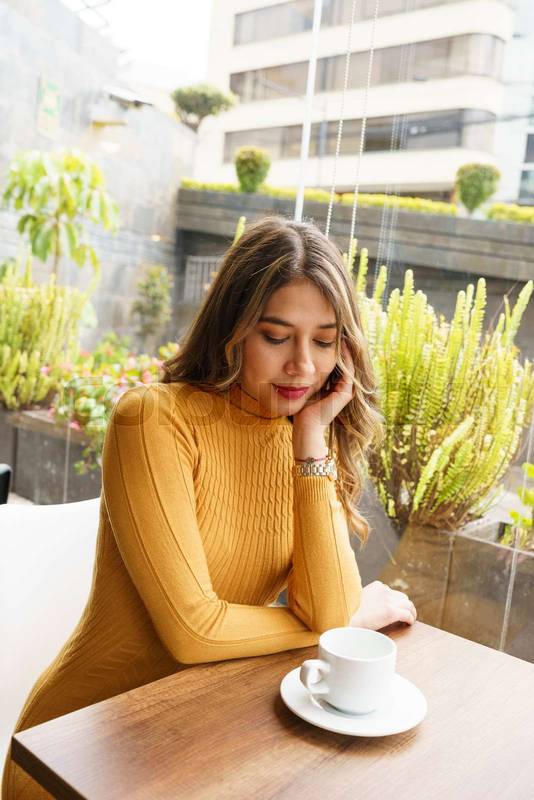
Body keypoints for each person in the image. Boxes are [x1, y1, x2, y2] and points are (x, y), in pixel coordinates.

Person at [2, 216, 416, 798]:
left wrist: (312, 439)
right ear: (232, 330)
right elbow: (193, 631)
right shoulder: (154, 419)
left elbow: (326, 610)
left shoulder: (305, 438)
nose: (302, 365)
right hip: (78, 746)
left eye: (324, 341)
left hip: (203, 732)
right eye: (276, 337)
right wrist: (339, 622)